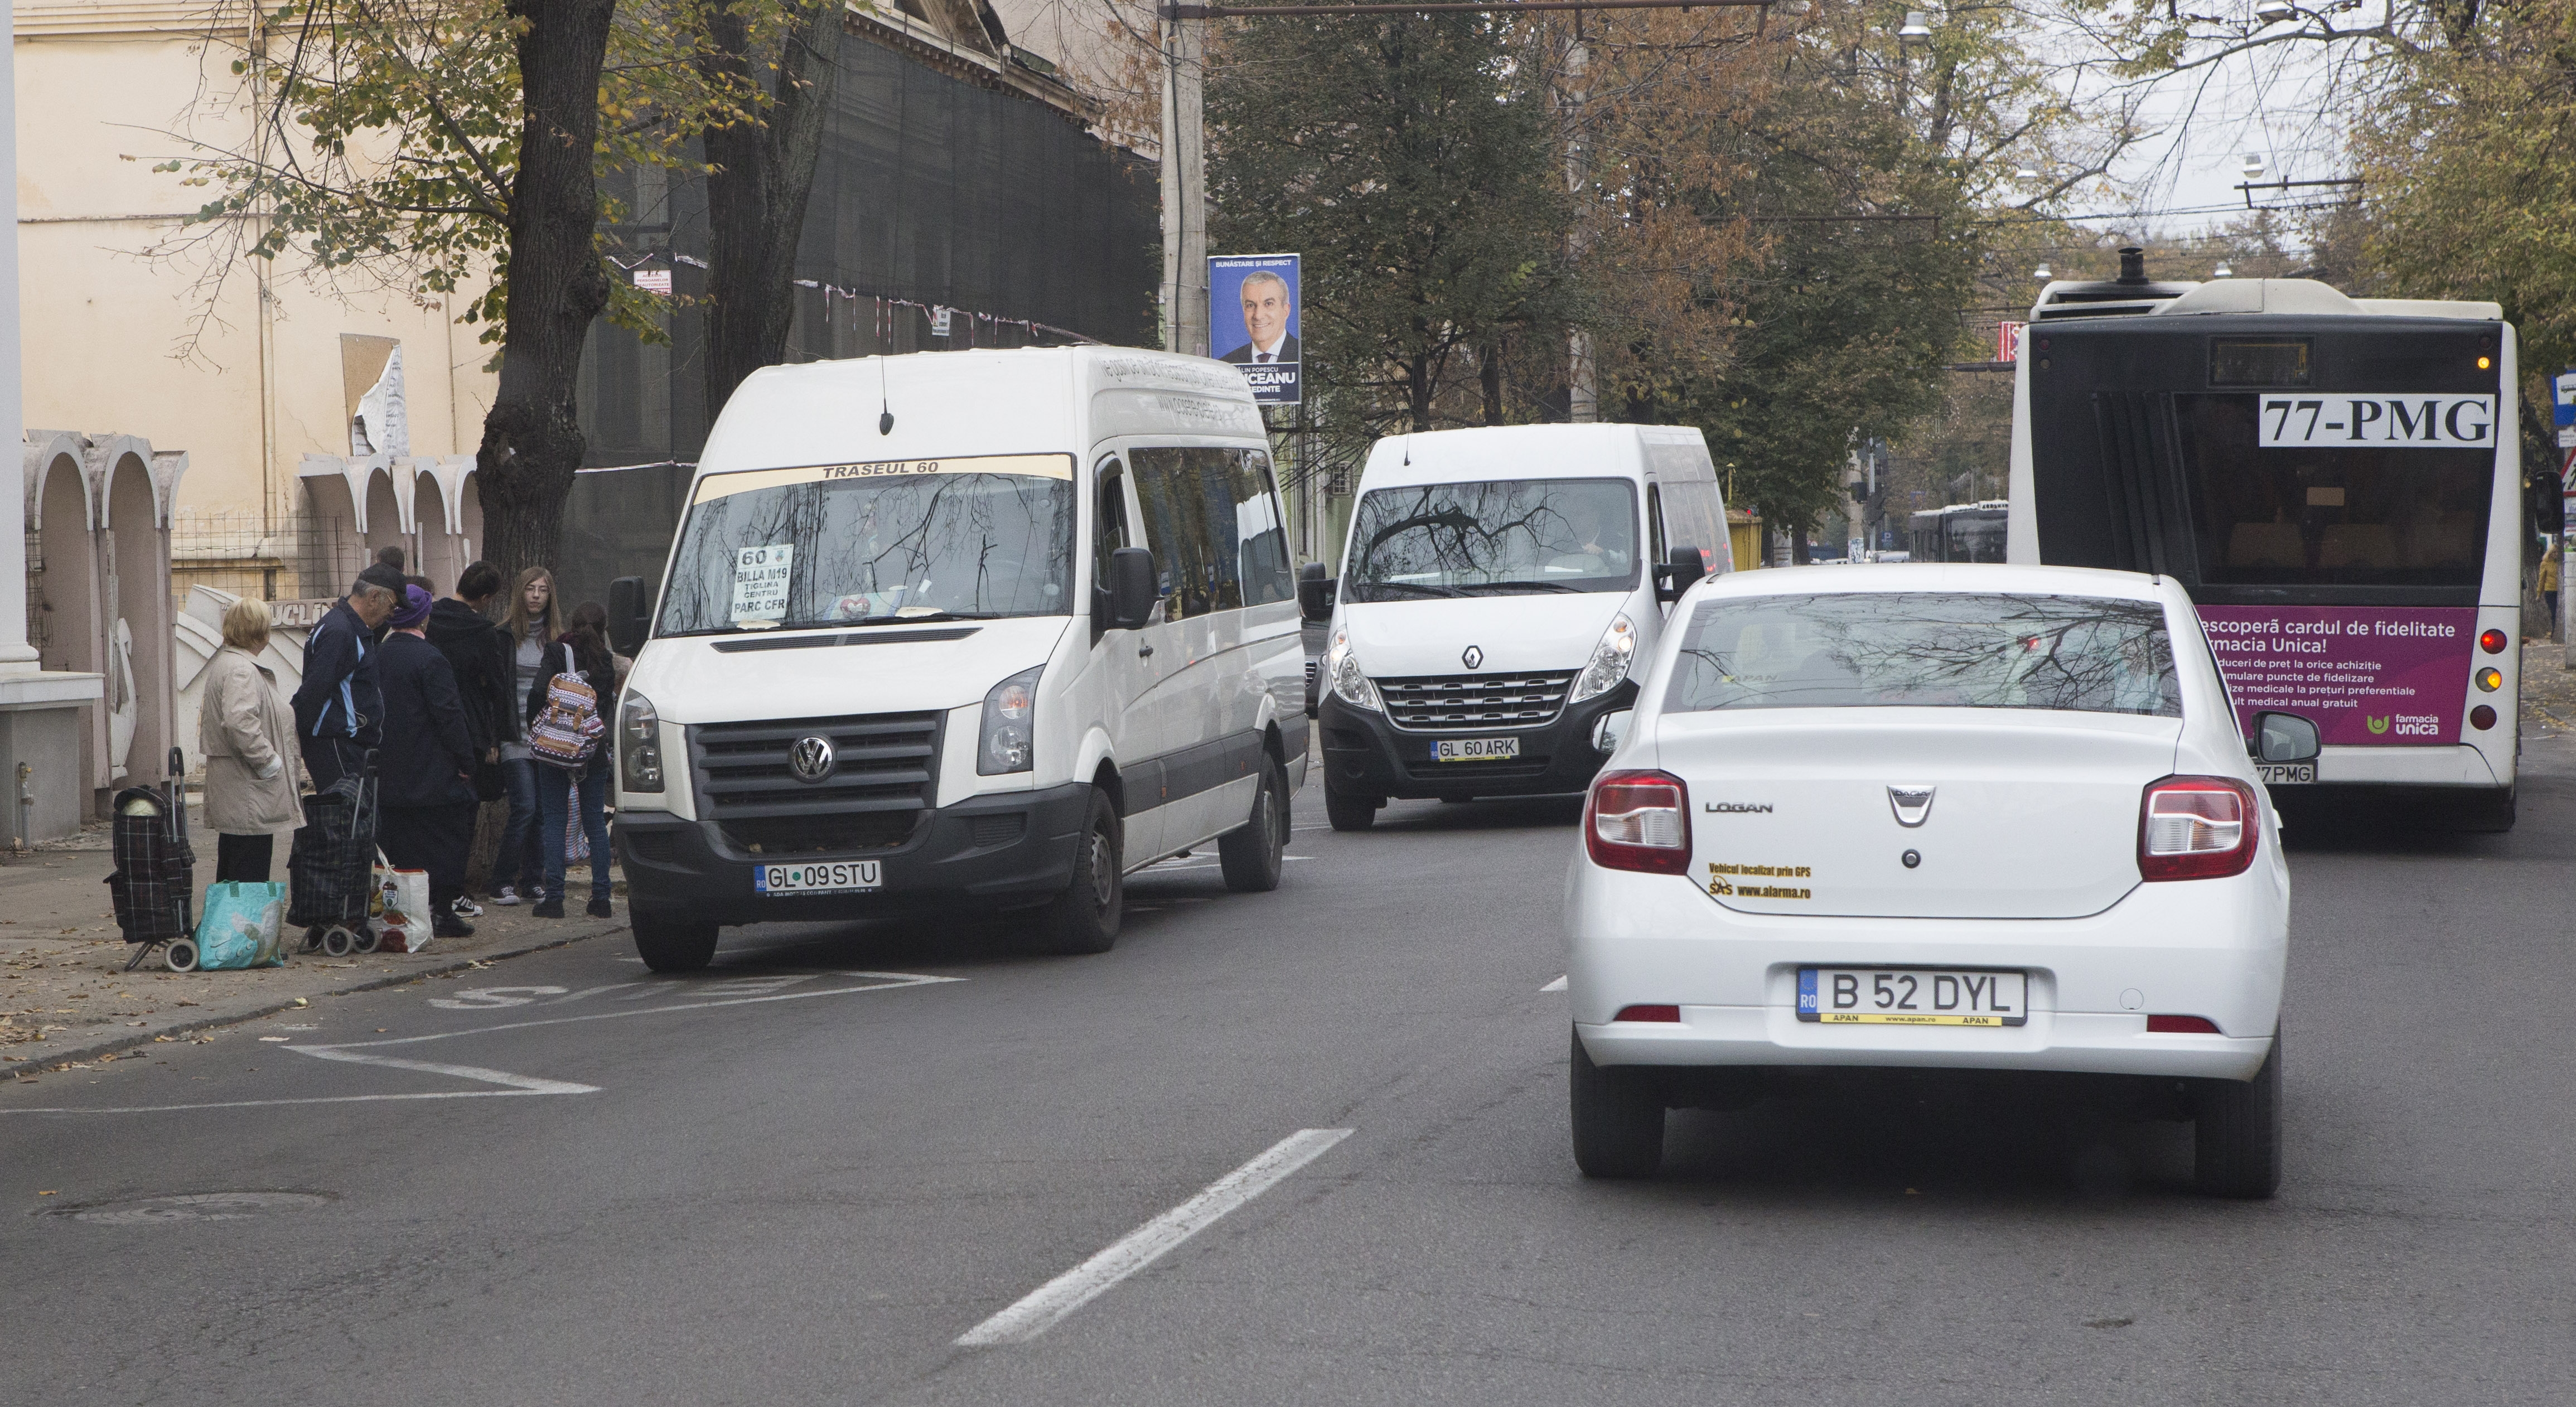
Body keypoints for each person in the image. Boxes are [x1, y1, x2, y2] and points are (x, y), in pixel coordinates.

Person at [373, 586, 478, 939]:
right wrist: (466, 761)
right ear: (424, 616)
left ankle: (400, 912)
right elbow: (449, 716)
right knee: (445, 843)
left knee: (399, 845)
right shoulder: (431, 658)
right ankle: (441, 911)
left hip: (389, 773)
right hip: (432, 774)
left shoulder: (377, 656)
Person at [428, 560, 514, 917]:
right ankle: (454, 891)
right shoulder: (482, 629)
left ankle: (430, 887)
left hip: (430, 722)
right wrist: (499, 735)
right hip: (470, 725)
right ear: (487, 597)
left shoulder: (431, 617)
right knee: (466, 811)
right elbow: (496, 686)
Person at [197, 597, 302, 883]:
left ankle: (227, 928)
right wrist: (269, 762)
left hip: (238, 789)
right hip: (248, 791)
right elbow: (239, 721)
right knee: (248, 875)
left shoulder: (228, 663)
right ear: (262, 632)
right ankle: (243, 930)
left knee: (234, 873)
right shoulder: (242, 669)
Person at [528, 612, 619, 920]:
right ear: (602, 629)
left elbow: (539, 692)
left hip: (556, 747)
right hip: (591, 750)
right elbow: (605, 705)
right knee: (594, 821)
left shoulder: (556, 651)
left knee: (555, 819)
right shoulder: (605, 659)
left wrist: (540, 729)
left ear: (572, 623)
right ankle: (601, 898)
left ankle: (554, 899)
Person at [291, 563, 404, 790]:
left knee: (356, 817)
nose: (391, 616)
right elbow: (315, 689)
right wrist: (294, 737)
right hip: (336, 742)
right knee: (347, 819)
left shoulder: (348, 626)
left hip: (343, 743)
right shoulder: (341, 631)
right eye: (392, 607)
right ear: (374, 597)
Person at [489, 566, 562, 907]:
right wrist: (494, 738)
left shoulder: (557, 639)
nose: (536, 595)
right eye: (530, 589)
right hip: (514, 735)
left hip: (548, 739)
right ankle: (502, 881)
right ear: (520, 593)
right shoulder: (503, 636)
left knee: (544, 813)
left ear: (550, 596)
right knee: (525, 808)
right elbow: (492, 690)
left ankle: (533, 880)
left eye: (542, 590)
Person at [1219, 271, 1298, 365]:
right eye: (1251, 305)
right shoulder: (1227, 365)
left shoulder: (1302, 356)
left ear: (1286, 311)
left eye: (1268, 304)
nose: (1258, 316)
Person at [2541, 541, 2561, 639]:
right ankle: (2554, 631)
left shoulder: (2559, 563)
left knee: (2558, 612)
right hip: (2550, 591)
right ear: (2550, 553)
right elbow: (2542, 579)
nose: (2556, 554)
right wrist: (2539, 593)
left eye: (2557, 553)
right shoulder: (2545, 563)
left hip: (2559, 591)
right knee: (2554, 612)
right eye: (2554, 552)